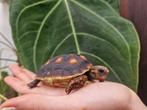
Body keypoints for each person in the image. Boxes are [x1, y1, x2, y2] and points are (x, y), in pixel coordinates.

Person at [0, 64, 146, 110]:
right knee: (80, 78)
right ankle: (37, 80)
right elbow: (81, 76)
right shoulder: (84, 75)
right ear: (93, 71)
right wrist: (130, 101)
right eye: (101, 71)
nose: (104, 73)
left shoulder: (91, 78)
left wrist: (128, 99)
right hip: (51, 72)